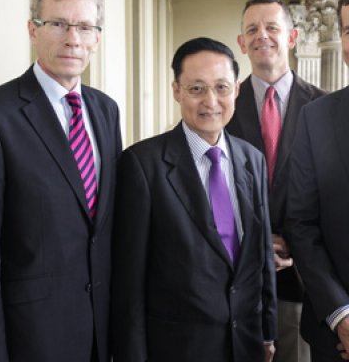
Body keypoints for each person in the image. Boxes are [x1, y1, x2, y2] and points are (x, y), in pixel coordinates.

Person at [0, 0, 122, 362]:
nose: (72, 38)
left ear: (97, 37)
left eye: (84, 26)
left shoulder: (106, 111)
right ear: (32, 29)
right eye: (58, 23)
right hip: (29, 341)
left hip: (100, 335)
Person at [111, 37, 277, 362]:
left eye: (222, 87)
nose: (211, 101)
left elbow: (261, 258)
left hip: (246, 343)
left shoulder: (252, 160)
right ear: (176, 90)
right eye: (196, 89)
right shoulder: (142, 165)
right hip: (177, 348)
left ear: (237, 90)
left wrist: (267, 333)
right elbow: (129, 282)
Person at [226, 0, 326, 362]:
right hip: (236, 280)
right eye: (252, 29)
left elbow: (331, 196)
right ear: (241, 42)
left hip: (302, 284)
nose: (261, 36)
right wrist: (255, 241)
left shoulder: (323, 108)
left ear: (293, 37)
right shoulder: (223, 106)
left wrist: (294, 249)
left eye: (272, 27)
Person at [284, 0, 349, 362]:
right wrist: (341, 314)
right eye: (348, 29)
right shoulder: (317, 117)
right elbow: (302, 222)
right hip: (336, 335)